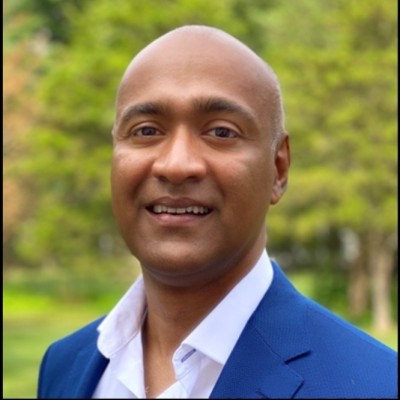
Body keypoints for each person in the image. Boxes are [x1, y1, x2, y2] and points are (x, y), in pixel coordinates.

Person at [37, 25, 397, 399]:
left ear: (278, 169)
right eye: (146, 131)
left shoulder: (379, 386)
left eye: (221, 132)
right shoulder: (65, 367)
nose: (176, 165)